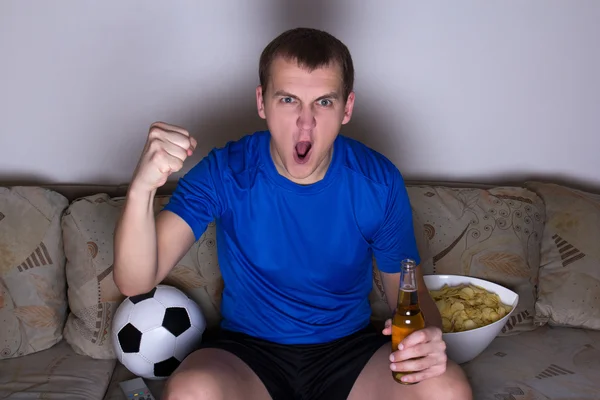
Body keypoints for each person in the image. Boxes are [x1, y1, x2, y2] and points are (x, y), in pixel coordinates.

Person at [113, 27, 472, 400]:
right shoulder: (226, 171)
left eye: (323, 102)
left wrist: (426, 339)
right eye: (288, 100)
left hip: (350, 353)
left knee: (447, 389)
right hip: (249, 356)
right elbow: (136, 282)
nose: (305, 122)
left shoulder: (377, 182)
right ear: (262, 102)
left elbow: (409, 296)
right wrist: (142, 188)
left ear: (346, 108)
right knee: (192, 391)